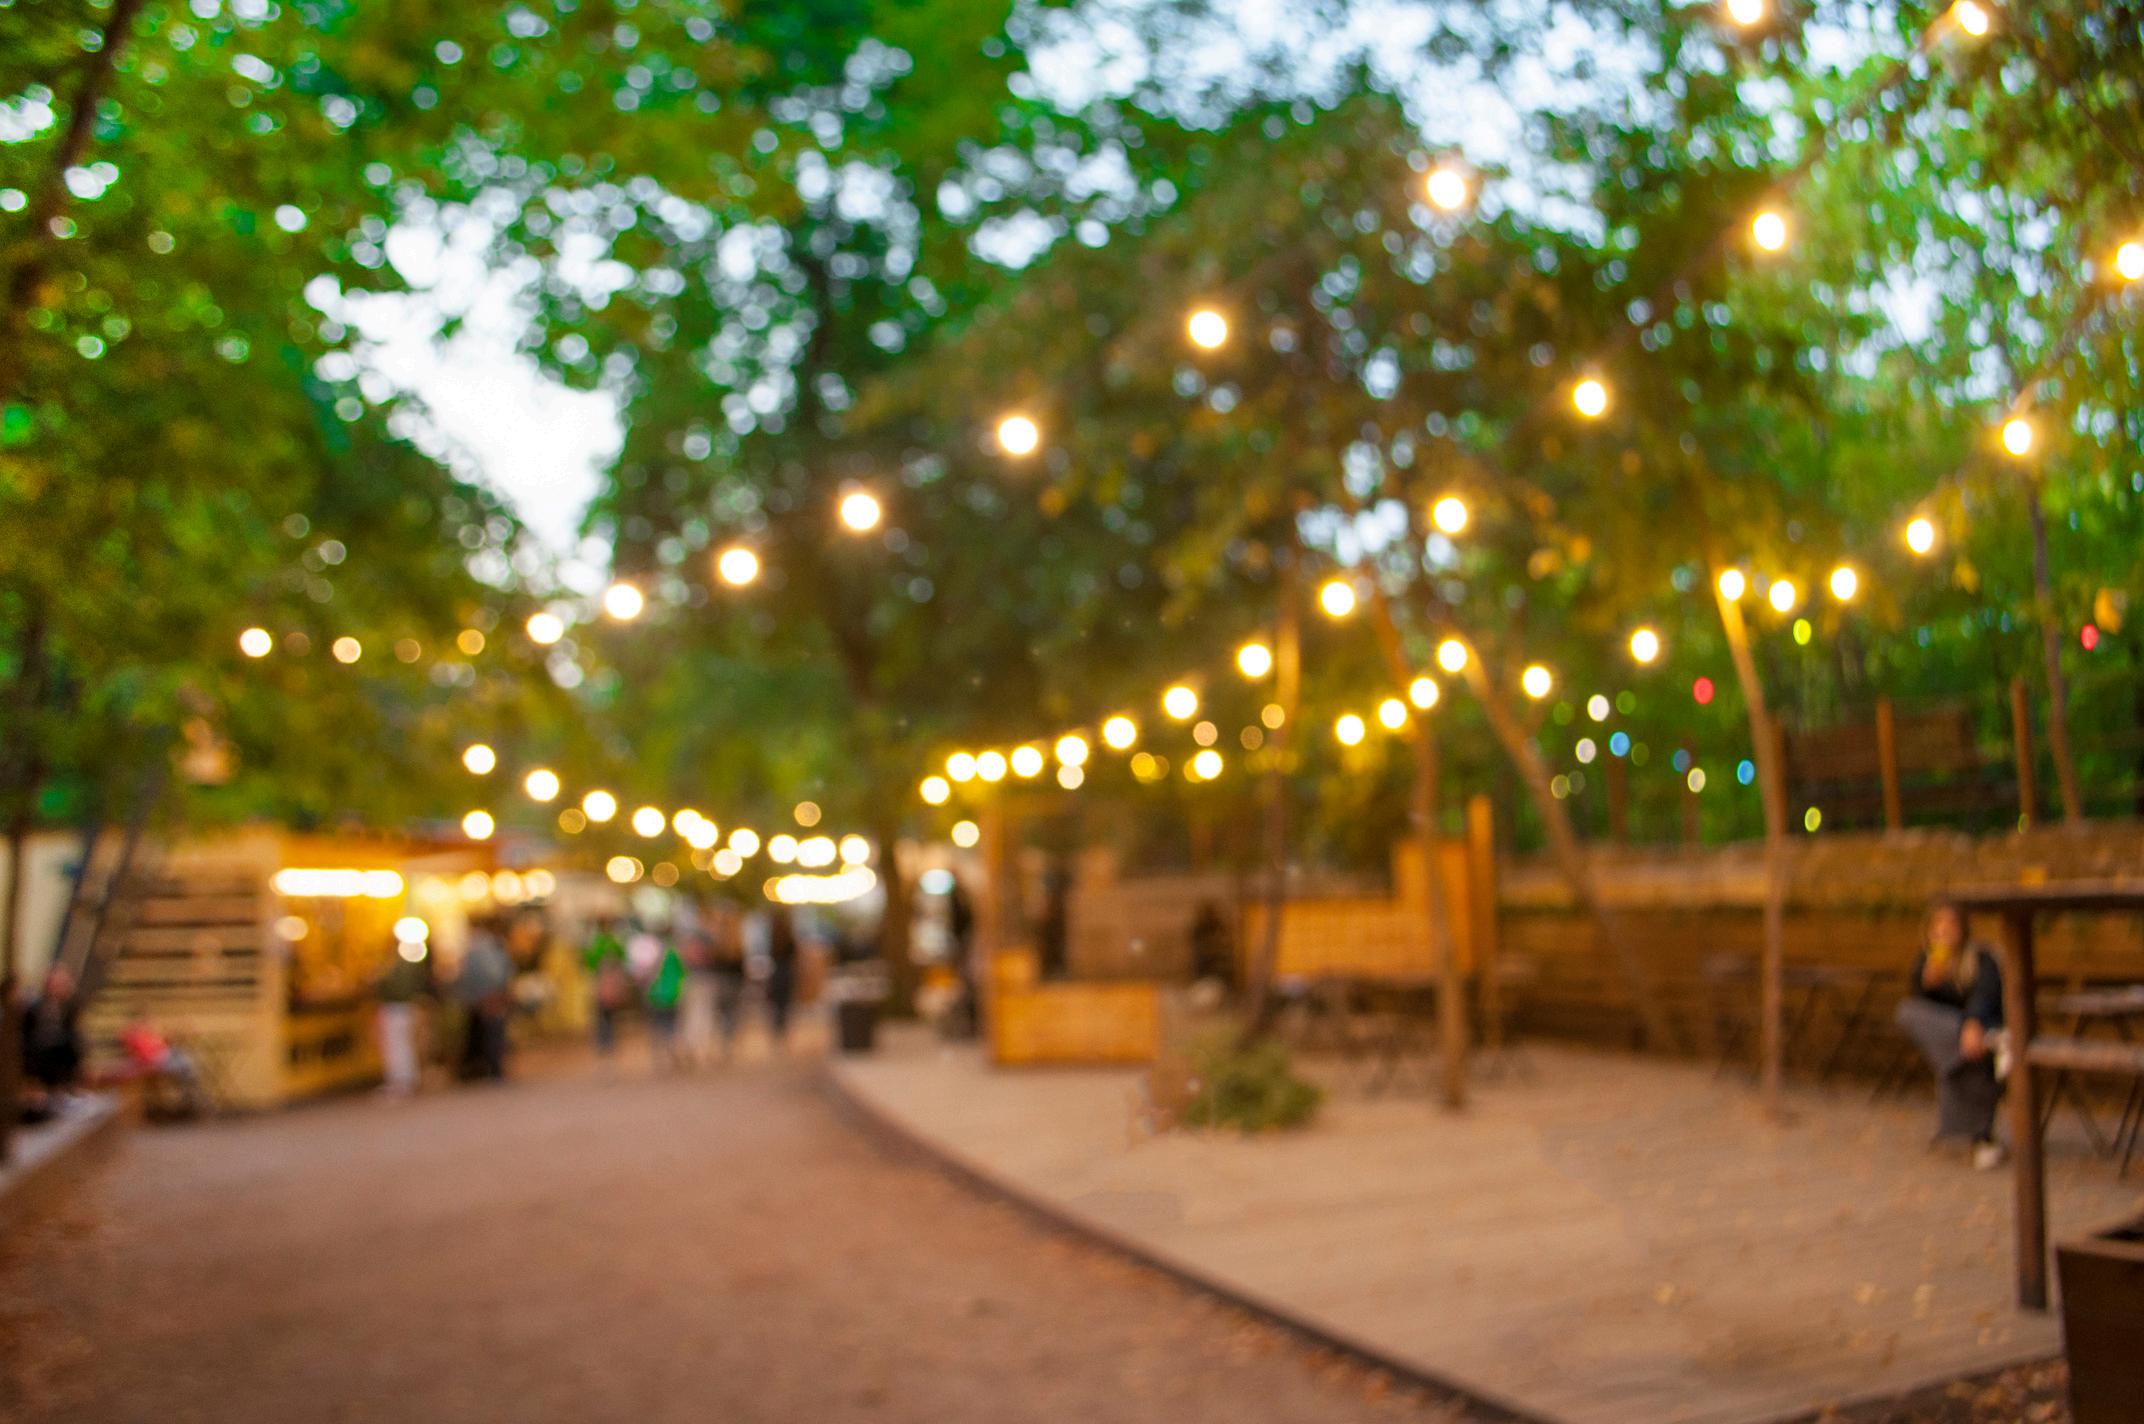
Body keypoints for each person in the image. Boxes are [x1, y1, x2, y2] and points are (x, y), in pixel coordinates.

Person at [1895, 900, 2007, 1169]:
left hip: (1981, 1027)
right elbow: (1925, 1011)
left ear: (1963, 928)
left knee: (1958, 1056)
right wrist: (1928, 984)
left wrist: (1973, 1023)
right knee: (1907, 1012)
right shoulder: (1928, 960)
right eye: (1939, 924)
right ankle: (1979, 1137)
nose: (1944, 930)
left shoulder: (1981, 957)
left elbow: (1985, 995)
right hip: (1957, 1037)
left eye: (1951, 923)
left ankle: (1976, 1137)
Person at [19, 964, 84, 1123]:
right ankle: (41, 1094)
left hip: (59, 1044)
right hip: (37, 1046)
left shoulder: (68, 1005)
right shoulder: (35, 1006)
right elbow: (27, 1031)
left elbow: (69, 1028)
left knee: (72, 1045)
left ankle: (64, 1091)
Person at [456, 918, 515, 1081]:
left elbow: (491, 973)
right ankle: (493, 1068)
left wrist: (486, 993)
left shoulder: (480, 947)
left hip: (488, 996)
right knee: (493, 1033)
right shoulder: (493, 945)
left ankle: (493, 1068)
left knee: (492, 1033)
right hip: (491, 995)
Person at [373, 940, 431, 1096]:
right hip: (404, 1007)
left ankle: (401, 1080)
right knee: (404, 1044)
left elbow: (389, 986)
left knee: (397, 1045)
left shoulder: (394, 966)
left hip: (395, 1008)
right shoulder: (406, 964)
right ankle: (407, 1078)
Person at [583, 918, 630, 1059]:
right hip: (608, 982)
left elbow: (589, 962)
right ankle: (607, 1040)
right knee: (607, 1013)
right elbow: (623, 958)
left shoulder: (597, 942)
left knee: (602, 1013)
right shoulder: (611, 942)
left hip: (602, 981)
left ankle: (604, 1041)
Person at [644, 933, 685, 1072]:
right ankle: (670, 1050)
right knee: (670, 1025)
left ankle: (660, 1055)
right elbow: (683, 973)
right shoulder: (674, 955)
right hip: (671, 994)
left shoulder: (652, 954)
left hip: (657, 994)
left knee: (658, 1026)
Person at [765, 906, 800, 1048]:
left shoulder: (772, 937)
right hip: (786, 974)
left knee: (776, 1006)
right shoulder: (788, 936)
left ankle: (777, 1032)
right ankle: (783, 1032)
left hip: (776, 973)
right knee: (784, 1006)